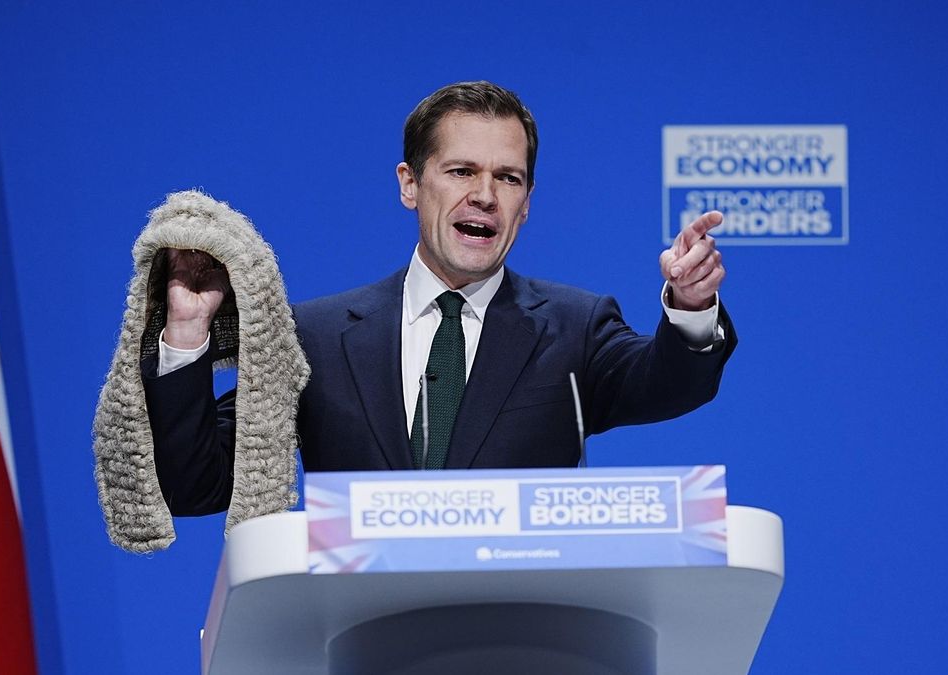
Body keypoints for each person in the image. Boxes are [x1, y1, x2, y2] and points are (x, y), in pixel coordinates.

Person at [144, 81, 734, 517]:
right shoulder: (316, 338)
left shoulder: (572, 328)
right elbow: (197, 485)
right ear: (409, 184)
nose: (485, 195)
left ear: (526, 203)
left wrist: (689, 306)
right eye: (460, 171)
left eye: (509, 178)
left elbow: (668, 382)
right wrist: (189, 331)